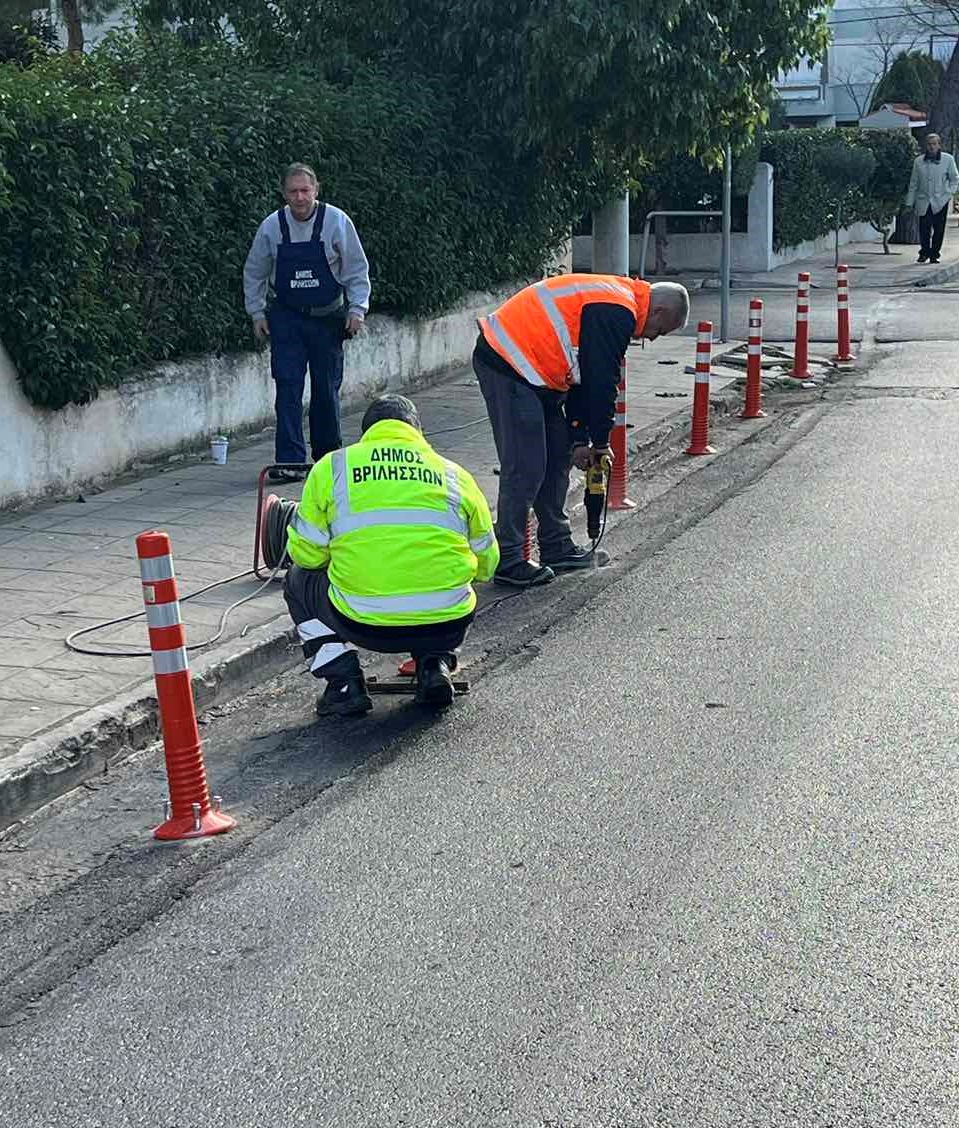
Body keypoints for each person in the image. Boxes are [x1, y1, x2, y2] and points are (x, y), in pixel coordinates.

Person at [283, 394, 499, 716]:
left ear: (367, 432)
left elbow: (305, 555)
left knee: (297, 581)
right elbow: (487, 565)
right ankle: (434, 665)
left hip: (361, 624)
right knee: (448, 580)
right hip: (447, 624)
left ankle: (344, 684)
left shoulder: (334, 467)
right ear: (418, 432)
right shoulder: (455, 475)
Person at [472, 273, 692, 587]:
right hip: (507, 361)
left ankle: (556, 547)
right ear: (657, 312)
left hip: (536, 371)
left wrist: (578, 439)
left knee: (557, 456)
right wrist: (601, 442)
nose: (652, 339)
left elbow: (581, 374)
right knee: (526, 465)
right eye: (659, 331)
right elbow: (601, 383)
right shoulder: (619, 310)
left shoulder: (619, 300)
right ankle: (508, 559)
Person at [244, 162, 372, 482]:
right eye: (293, 191)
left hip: (328, 318)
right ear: (284, 193)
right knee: (287, 387)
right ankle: (290, 461)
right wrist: (257, 313)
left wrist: (357, 309)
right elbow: (255, 271)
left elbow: (356, 269)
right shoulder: (272, 227)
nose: (299, 197)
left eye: (305, 190)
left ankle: (327, 459)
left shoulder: (337, 222)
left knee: (326, 389)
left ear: (316, 190)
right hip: (286, 318)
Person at [906, 132, 959, 265]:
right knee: (924, 228)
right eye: (929, 144)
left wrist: (948, 194)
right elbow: (914, 183)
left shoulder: (948, 159)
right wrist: (909, 202)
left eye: (934, 144)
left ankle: (934, 254)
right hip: (923, 200)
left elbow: (955, 179)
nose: (931, 147)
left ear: (939, 145)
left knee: (939, 229)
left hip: (940, 201)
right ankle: (924, 252)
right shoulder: (918, 161)